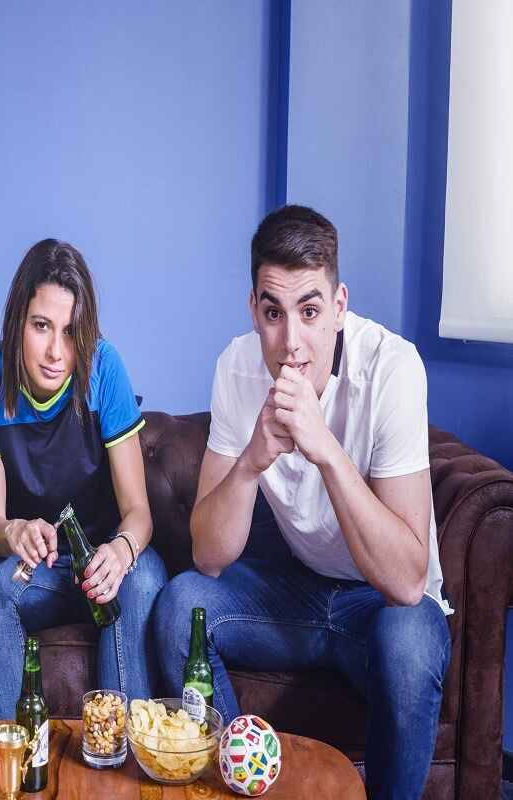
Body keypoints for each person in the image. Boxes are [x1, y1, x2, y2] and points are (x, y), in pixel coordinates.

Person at [153, 205, 451, 800]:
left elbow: (407, 582)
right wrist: (251, 462)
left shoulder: (392, 369)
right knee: (181, 605)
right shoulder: (237, 368)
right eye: (273, 313)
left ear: (339, 307)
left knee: (411, 644)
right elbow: (208, 559)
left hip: (380, 607)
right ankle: (241, 784)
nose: (292, 342)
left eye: (310, 311)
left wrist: (328, 453)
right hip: (294, 591)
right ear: (253, 311)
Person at [0, 239, 168, 717]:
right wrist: (13, 530)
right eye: (41, 327)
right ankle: (13, 757)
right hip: (39, 574)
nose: (57, 351)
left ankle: (122, 757)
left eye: (72, 332)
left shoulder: (105, 368)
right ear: (18, 322)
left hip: (109, 565)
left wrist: (120, 552)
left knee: (144, 578)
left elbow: (139, 513)